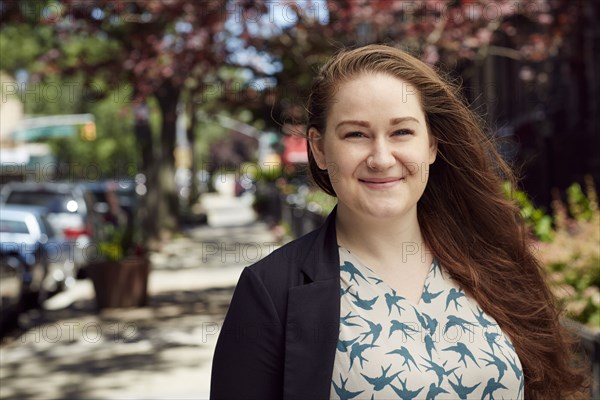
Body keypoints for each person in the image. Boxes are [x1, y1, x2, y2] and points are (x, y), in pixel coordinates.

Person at [210, 44, 586, 400]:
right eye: (356, 134)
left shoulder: (495, 261)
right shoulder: (272, 291)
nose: (381, 157)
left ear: (432, 145)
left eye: (402, 131)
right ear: (320, 149)